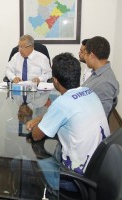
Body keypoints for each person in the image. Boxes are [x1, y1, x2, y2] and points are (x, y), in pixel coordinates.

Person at [26, 53, 110, 189]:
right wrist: (42, 118)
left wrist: (39, 124)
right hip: (97, 169)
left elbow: (36, 135)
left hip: (74, 179)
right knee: (57, 147)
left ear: (55, 81)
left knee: (22, 164)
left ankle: (48, 193)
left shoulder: (62, 103)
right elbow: (65, 112)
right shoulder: (89, 92)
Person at [82, 36, 119, 118]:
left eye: (85, 54)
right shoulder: (98, 73)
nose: (84, 57)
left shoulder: (105, 82)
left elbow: (100, 118)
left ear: (91, 55)